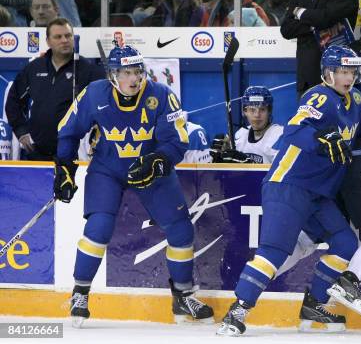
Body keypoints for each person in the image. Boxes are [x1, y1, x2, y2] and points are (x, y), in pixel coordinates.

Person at [215, 46, 361, 336]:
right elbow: (294, 130)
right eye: (342, 72)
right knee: (274, 251)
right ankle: (238, 311)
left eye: (351, 72)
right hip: (289, 185)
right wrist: (322, 139)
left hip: (318, 193)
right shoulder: (319, 96)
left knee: (345, 243)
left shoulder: (354, 98)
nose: (347, 77)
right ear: (328, 72)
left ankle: (314, 305)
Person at [54, 44, 214, 327]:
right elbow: (68, 130)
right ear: (112, 75)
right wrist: (64, 167)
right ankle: (80, 292)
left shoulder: (161, 95)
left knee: (180, 228)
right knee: (98, 228)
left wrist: (159, 160)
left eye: (137, 71)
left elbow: (176, 141)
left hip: (150, 170)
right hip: (107, 170)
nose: (133, 78)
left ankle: (182, 294)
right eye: (125, 72)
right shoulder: (94, 93)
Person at [5, 18, 105, 161]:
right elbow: (13, 101)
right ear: (48, 41)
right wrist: (21, 131)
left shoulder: (87, 70)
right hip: (38, 152)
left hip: (75, 154)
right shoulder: (34, 68)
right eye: (58, 37)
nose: (64, 40)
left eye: (68, 36)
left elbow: (104, 105)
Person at [211, 86, 284, 164]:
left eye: (262, 109)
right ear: (244, 111)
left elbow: (281, 171)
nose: (257, 115)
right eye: (252, 110)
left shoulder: (280, 135)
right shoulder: (240, 135)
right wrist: (220, 159)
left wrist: (249, 164)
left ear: (269, 111)